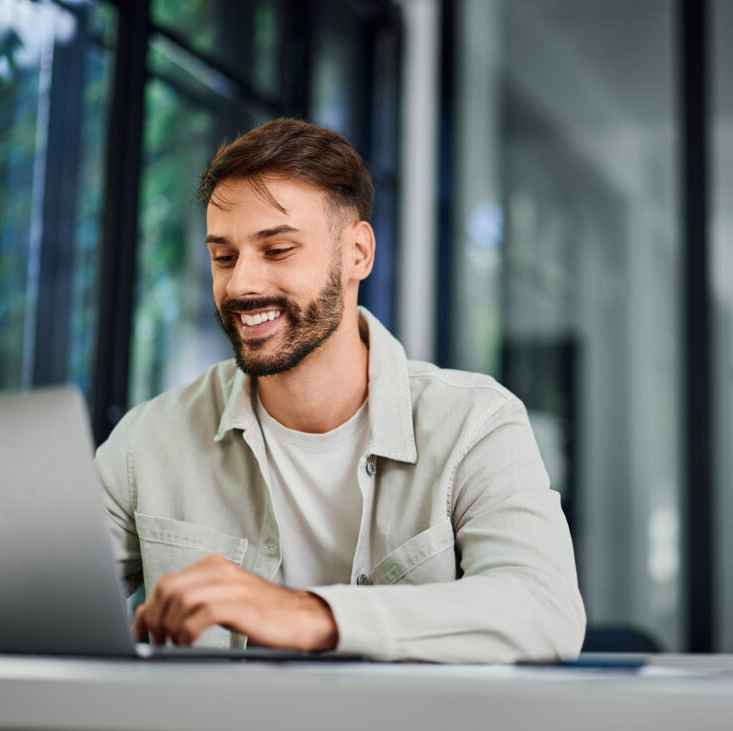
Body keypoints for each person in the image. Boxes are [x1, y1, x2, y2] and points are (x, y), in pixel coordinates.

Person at [95, 118, 586, 663]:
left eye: (277, 249)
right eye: (224, 256)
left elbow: (545, 610)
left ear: (358, 253)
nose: (241, 285)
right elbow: (30, 606)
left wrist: (308, 614)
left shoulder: (475, 424)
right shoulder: (148, 439)